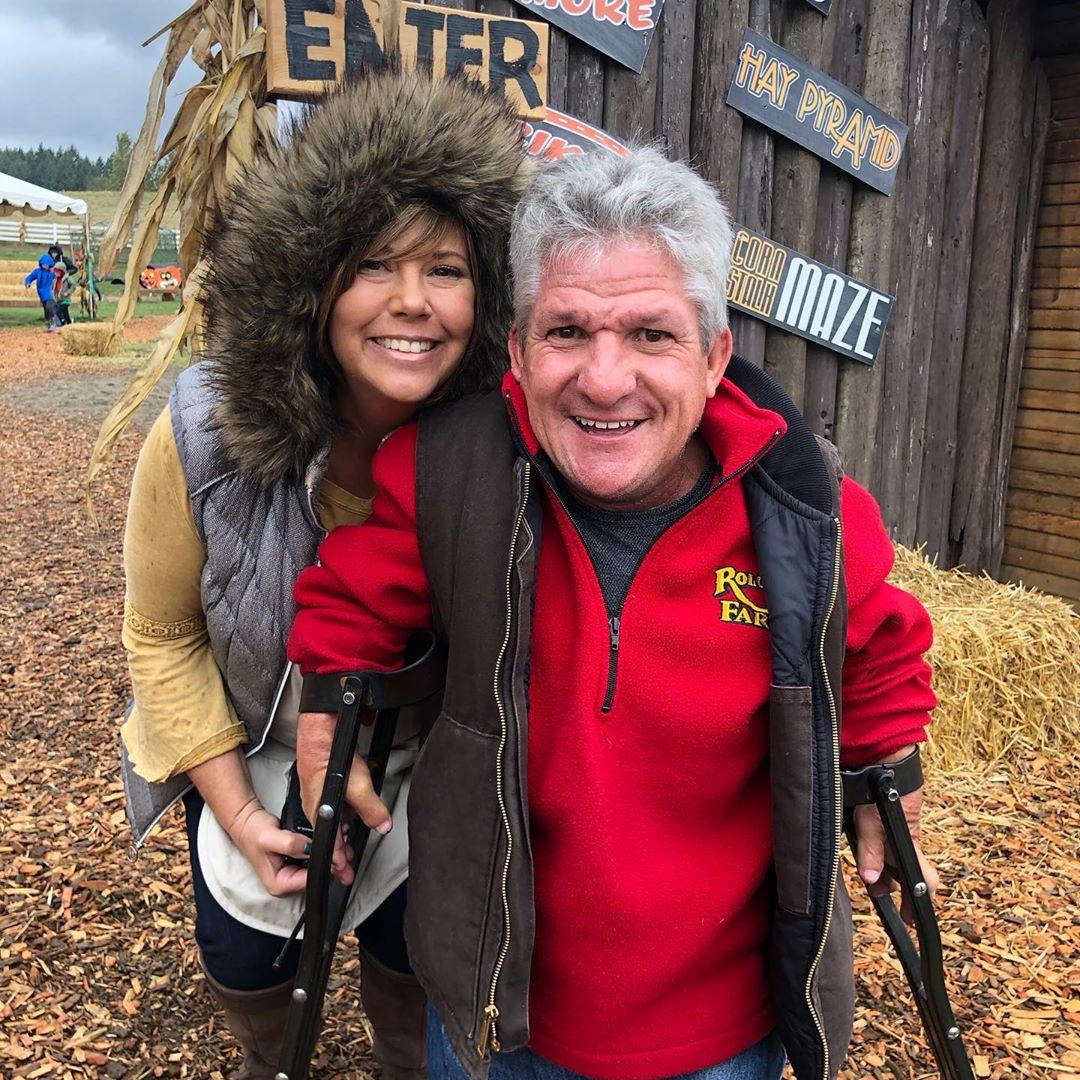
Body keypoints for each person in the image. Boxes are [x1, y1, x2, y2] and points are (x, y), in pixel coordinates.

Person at [288, 148, 940, 1080]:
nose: (603, 380)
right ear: (514, 349)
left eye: (650, 335)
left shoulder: (805, 508)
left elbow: (877, 643)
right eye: (566, 332)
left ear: (715, 356)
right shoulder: (445, 472)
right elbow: (353, 593)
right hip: (492, 1004)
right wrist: (328, 711)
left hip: (719, 1028)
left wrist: (884, 761)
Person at [119, 69, 530, 1080]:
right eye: (374, 266)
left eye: (445, 269)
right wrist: (241, 810)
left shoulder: (506, 443)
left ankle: (404, 1050)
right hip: (250, 734)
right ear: (312, 282)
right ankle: (268, 1051)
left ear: (489, 291)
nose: (411, 305)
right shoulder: (207, 435)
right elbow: (163, 635)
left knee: (413, 952)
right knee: (249, 954)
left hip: (426, 753)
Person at [24, 253, 58, 330]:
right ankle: (48, 324)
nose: (45, 266)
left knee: (50, 307)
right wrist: (27, 283)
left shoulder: (52, 272)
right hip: (42, 293)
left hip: (49, 292)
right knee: (46, 309)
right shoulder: (38, 271)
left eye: (46, 264)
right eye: (43, 264)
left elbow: (59, 274)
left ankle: (53, 322)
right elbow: (30, 277)